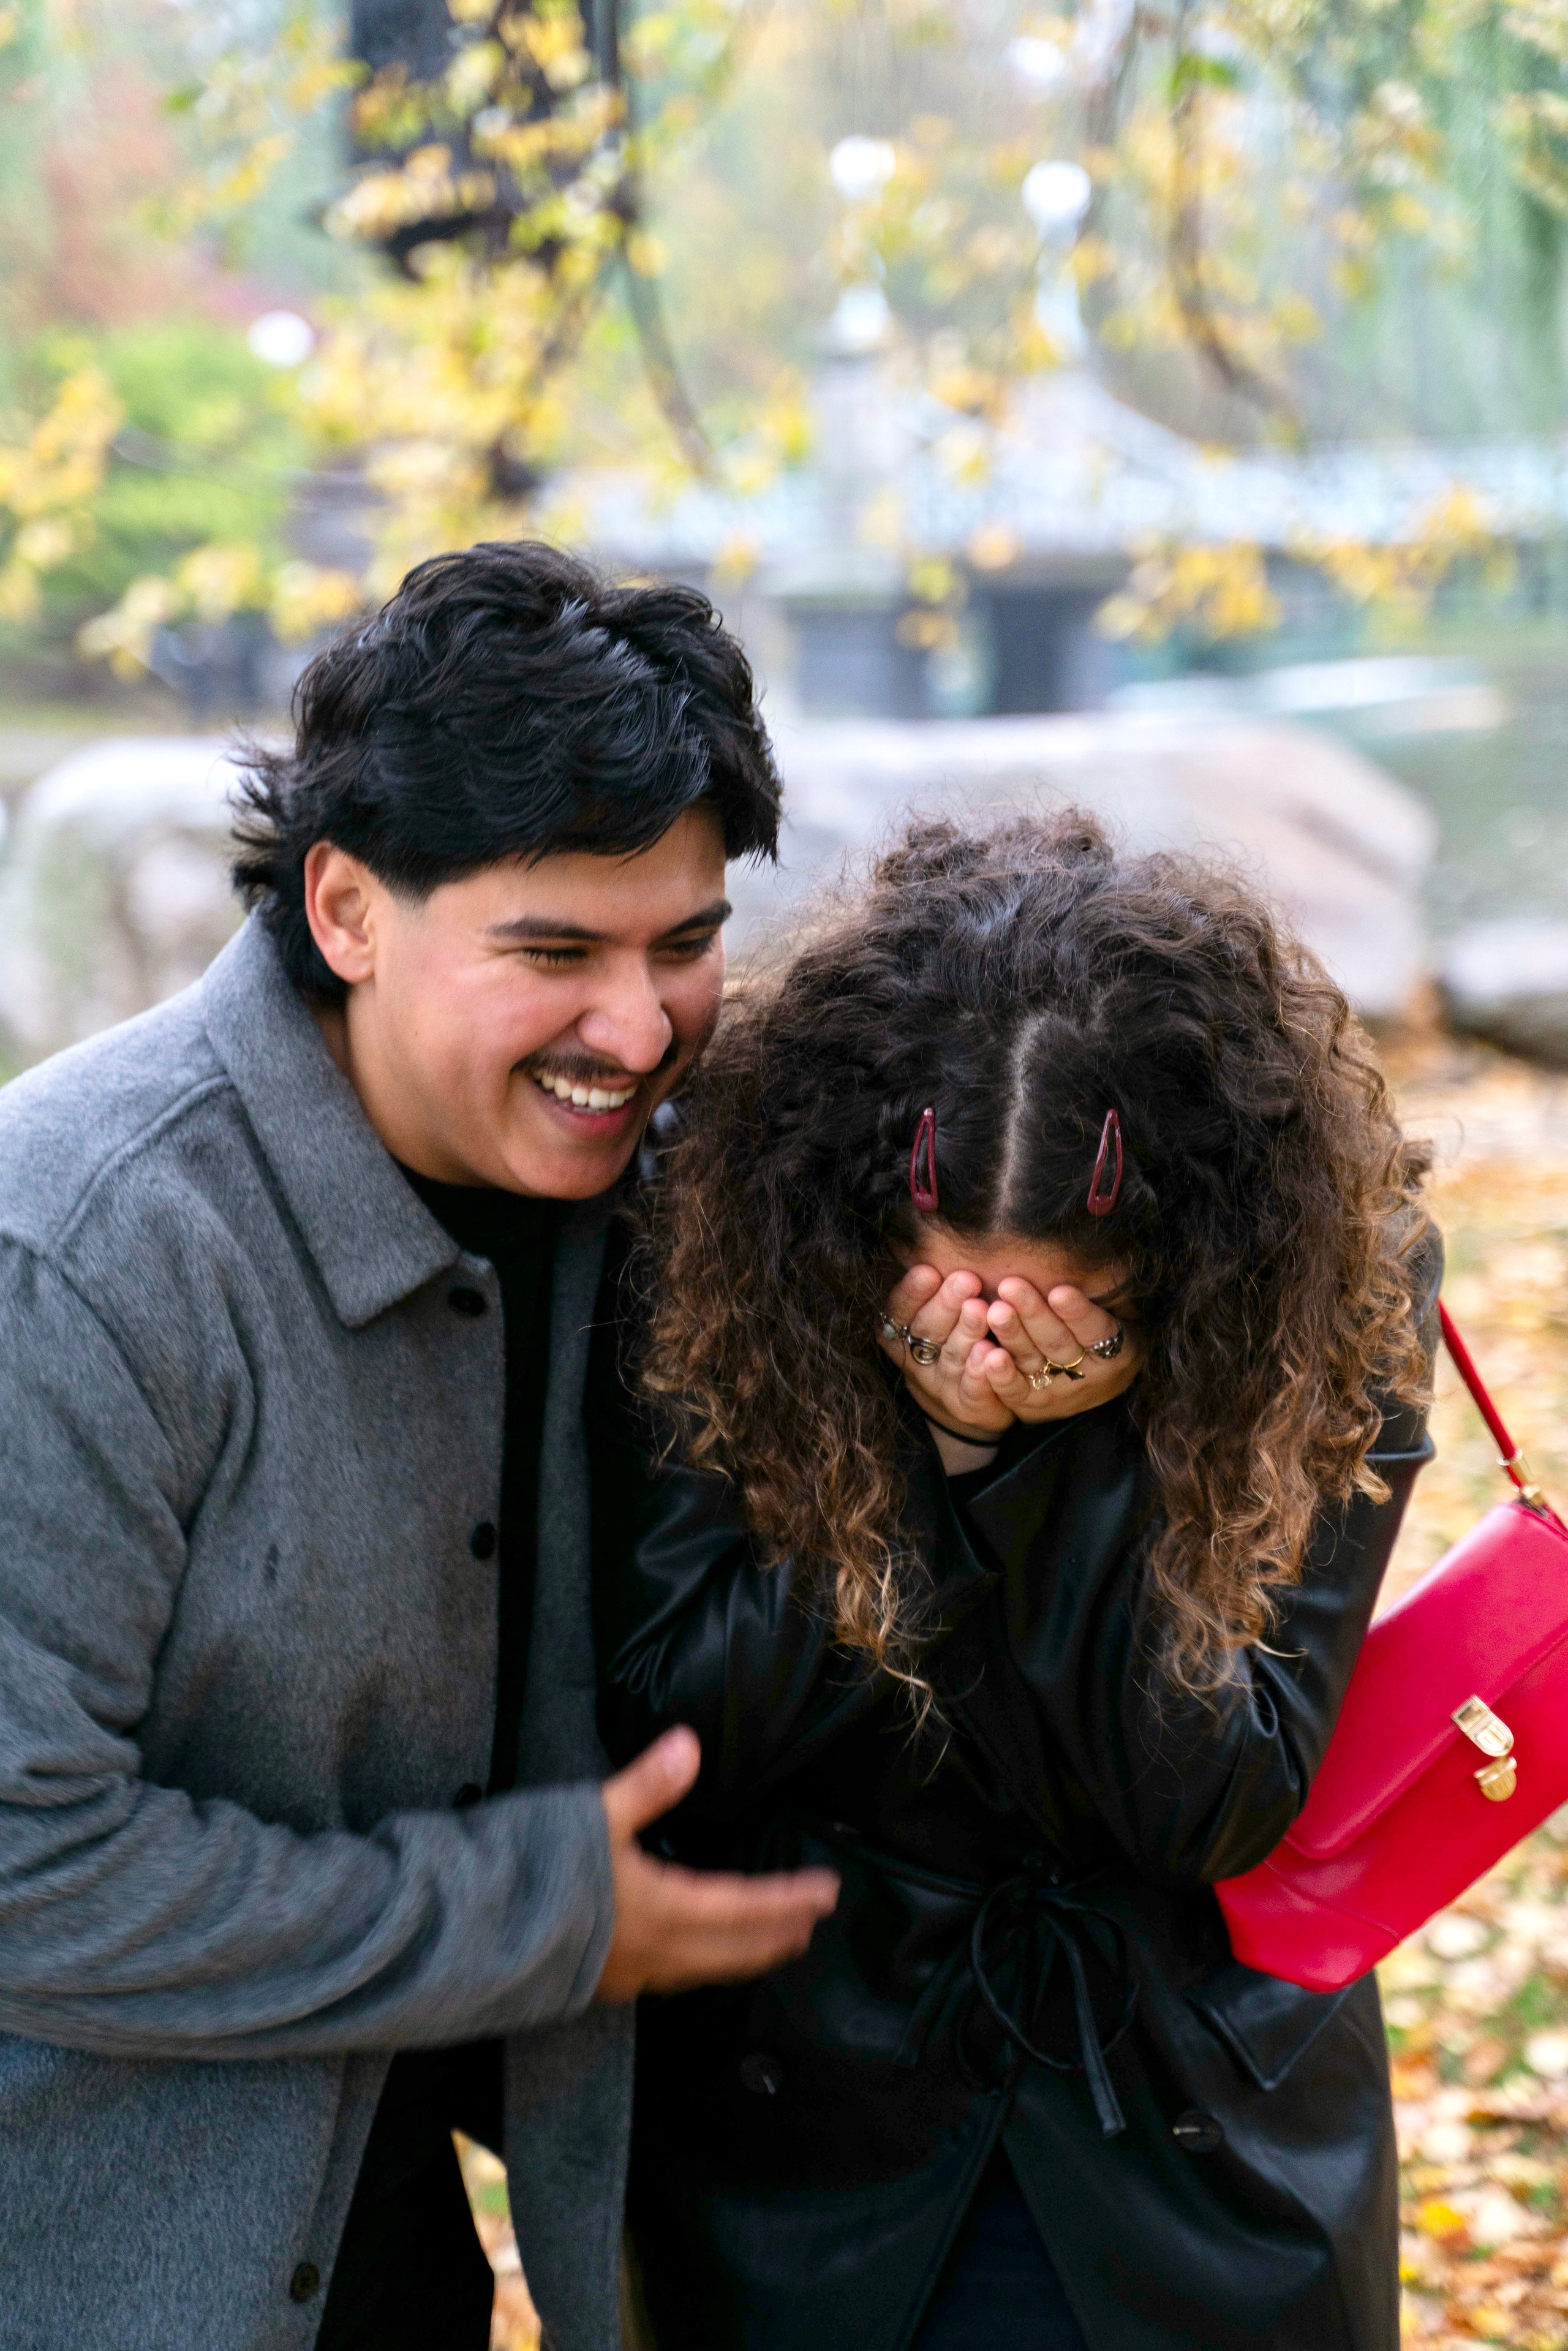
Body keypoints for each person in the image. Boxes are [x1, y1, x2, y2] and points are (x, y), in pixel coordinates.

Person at [0, 540, 837, 2351]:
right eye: (554, 951)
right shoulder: (78, 1248)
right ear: (350, 908)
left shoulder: (663, 1194)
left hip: (398, 2258)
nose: (641, 1027)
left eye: (686, 943)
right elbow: (17, 1862)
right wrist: (529, 1911)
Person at [595, 812, 1439, 2351]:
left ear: (1191, 1255)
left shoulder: (1331, 1261)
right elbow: (677, 1730)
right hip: (813, 2115)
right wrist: (924, 1457)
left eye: (1064, 1318)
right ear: (849, 1222)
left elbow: (1216, 1795)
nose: (996, 1344)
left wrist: (1063, 1467)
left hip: (1193, 2118)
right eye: (941, 1298)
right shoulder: (716, 1217)